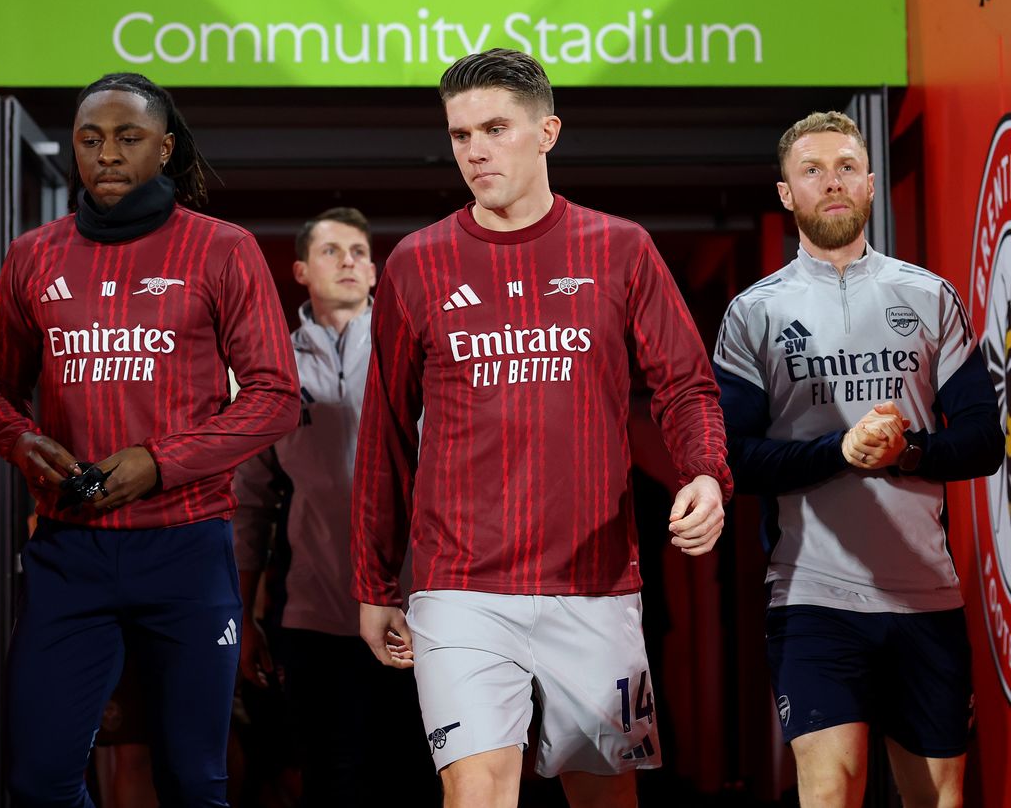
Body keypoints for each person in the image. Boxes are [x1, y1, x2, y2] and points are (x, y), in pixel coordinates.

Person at [350, 48, 733, 808]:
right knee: (476, 792)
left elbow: (686, 385)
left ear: (547, 132)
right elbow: (385, 433)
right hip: (459, 586)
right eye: (461, 135)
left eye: (495, 129)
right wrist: (373, 580)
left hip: (595, 584)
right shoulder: (416, 264)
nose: (475, 151)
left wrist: (704, 473)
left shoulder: (621, 248)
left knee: (605, 798)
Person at [0, 72, 299, 807]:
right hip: (69, 551)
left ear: (166, 148)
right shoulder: (32, 255)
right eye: (90, 140)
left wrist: (158, 463)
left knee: (192, 781)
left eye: (129, 138)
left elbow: (276, 397)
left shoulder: (223, 249)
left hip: (187, 549)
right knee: (39, 781)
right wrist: (21, 441)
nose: (108, 155)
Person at [713, 110, 1002, 808]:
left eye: (846, 167)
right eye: (812, 170)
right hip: (810, 597)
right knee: (831, 789)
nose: (832, 182)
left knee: (938, 799)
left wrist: (909, 451)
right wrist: (838, 451)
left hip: (926, 597)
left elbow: (984, 441)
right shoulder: (754, 312)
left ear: (870, 184)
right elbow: (734, 461)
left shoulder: (930, 296)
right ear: (787, 194)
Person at [232, 207, 439, 807]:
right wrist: (243, 617)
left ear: (374, 273)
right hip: (315, 615)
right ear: (300, 270)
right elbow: (248, 504)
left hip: (420, 609)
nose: (348, 261)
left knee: (417, 778)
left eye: (359, 252)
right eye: (331, 251)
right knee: (331, 781)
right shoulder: (270, 367)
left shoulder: (420, 349)